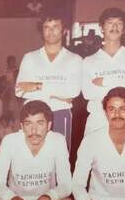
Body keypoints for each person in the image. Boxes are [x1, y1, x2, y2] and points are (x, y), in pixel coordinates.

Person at [0, 100, 74, 200]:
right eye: (28, 124)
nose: (34, 131)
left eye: (40, 123)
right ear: (22, 126)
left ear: (49, 125)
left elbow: (66, 185)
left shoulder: (58, 141)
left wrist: (45, 199)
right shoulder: (10, 141)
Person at [15, 10, 82, 151]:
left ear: (64, 30)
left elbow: (73, 92)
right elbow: (20, 90)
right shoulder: (30, 58)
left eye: (55, 27)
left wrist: (37, 86)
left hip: (60, 114)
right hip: (32, 116)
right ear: (42, 31)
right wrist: (59, 92)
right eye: (47, 27)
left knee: (59, 163)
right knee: (33, 162)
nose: (51, 31)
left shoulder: (75, 59)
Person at [82, 7, 125, 135]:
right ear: (101, 27)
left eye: (119, 23)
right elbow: (88, 93)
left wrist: (103, 81)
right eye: (110, 22)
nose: (114, 27)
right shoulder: (89, 61)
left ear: (124, 29)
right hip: (97, 122)